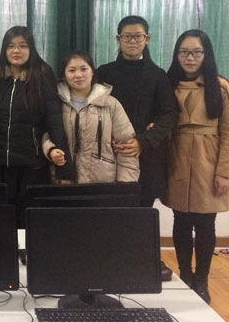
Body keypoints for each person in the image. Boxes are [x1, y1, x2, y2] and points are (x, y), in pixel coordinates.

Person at [97, 15, 178, 281]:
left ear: (147, 39)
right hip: (109, 153)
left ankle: (145, 259)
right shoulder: (104, 73)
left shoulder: (158, 76)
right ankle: (111, 261)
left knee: (142, 209)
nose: (132, 41)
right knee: (111, 210)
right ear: (118, 39)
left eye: (138, 36)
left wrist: (143, 141)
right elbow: (92, 107)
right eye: (127, 36)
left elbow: (168, 114)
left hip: (147, 155)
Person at [162, 29, 229, 304]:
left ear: (206, 54)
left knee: (205, 223)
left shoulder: (219, 87)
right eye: (184, 52)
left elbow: (228, 132)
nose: (190, 58)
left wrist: (224, 171)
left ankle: (201, 280)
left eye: (196, 52)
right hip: (176, 157)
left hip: (207, 161)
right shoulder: (167, 85)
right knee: (181, 220)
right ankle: (185, 275)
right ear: (177, 55)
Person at [0, 26, 74, 227]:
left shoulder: (42, 75)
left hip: (32, 165)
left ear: (31, 49)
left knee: (30, 220)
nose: (16, 51)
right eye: (11, 46)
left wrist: (65, 168)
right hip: (1, 165)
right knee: (3, 220)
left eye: (22, 46)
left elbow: (54, 120)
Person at [42, 50, 139, 184]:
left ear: (92, 71)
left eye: (84, 69)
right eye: (72, 70)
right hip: (64, 181)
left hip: (103, 183)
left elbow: (126, 147)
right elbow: (45, 134)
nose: (78, 75)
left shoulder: (110, 104)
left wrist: (126, 184)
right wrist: (50, 150)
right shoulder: (55, 103)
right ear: (64, 74)